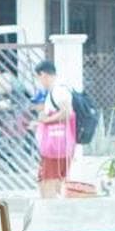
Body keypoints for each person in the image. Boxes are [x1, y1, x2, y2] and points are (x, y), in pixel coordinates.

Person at [33, 59, 75, 198]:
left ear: (43, 75)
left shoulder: (59, 91)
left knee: (49, 181)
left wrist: (46, 121)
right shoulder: (56, 90)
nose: (39, 82)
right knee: (47, 180)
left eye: (38, 77)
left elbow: (67, 112)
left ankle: (51, 208)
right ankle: (51, 206)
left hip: (55, 146)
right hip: (56, 146)